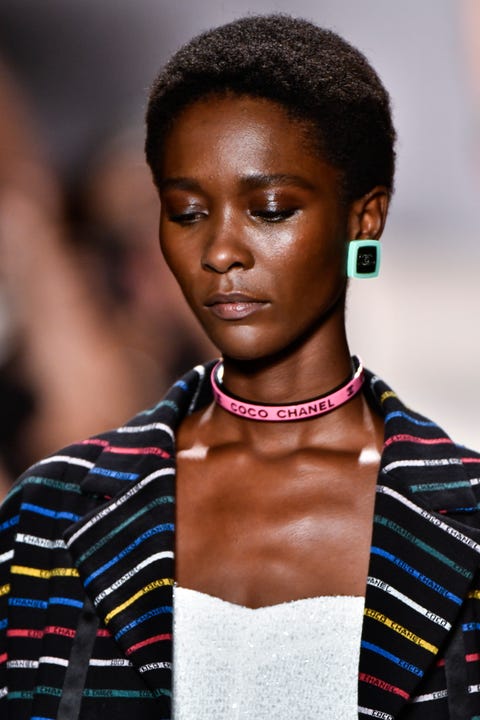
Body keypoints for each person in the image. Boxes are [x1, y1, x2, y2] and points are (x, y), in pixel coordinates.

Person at [1, 14, 480, 720]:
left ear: (362, 222)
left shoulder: (456, 518)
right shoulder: (49, 515)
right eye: (188, 212)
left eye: (271, 209)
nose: (223, 250)